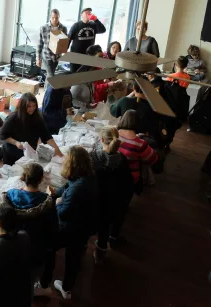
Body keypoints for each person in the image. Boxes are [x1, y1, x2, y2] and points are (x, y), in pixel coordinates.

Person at [38, 146, 98, 300]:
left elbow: (64, 213)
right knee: (74, 257)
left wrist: (56, 203)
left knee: (48, 248)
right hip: (84, 226)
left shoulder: (78, 188)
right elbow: (65, 187)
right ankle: (67, 289)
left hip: (71, 227)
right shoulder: (86, 177)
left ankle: (44, 284)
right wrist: (54, 196)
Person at [90, 127, 133, 263]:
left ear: (101, 140)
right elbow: (128, 183)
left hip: (96, 200)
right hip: (114, 202)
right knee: (104, 229)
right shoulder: (122, 160)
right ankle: (100, 256)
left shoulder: (93, 157)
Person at [5, 163, 58, 274]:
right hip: (37, 244)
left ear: (24, 177)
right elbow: (52, 227)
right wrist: (50, 196)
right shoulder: (46, 201)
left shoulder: (11, 195)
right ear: (40, 180)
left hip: (15, 243)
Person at [0, 93, 63, 165]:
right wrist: (16, 142)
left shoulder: (37, 117)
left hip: (29, 150)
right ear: (23, 106)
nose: (32, 109)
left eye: (34, 106)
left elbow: (47, 136)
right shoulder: (13, 118)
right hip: (12, 151)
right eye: (29, 106)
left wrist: (58, 152)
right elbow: (2, 135)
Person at [117, 110, 159, 196]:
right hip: (130, 177)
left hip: (114, 173)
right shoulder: (140, 143)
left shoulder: (113, 134)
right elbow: (152, 159)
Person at [67, 8, 107, 72]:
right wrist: (64, 50)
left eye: (89, 13)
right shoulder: (76, 25)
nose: (88, 14)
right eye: (86, 13)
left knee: (84, 74)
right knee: (74, 73)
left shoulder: (93, 25)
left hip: (88, 55)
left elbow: (103, 30)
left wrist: (96, 20)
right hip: (76, 54)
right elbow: (68, 38)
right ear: (82, 15)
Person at [37, 9, 68, 78]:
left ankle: (46, 89)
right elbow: (40, 44)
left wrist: (64, 51)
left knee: (50, 75)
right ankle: (50, 88)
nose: (54, 19)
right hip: (47, 55)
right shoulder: (44, 27)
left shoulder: (63, 28)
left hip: (57, 56)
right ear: (50, 17)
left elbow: (64, 42)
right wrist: (38, 58)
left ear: (59, 17)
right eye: (53, 17)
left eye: (56, 18)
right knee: (51, 76)